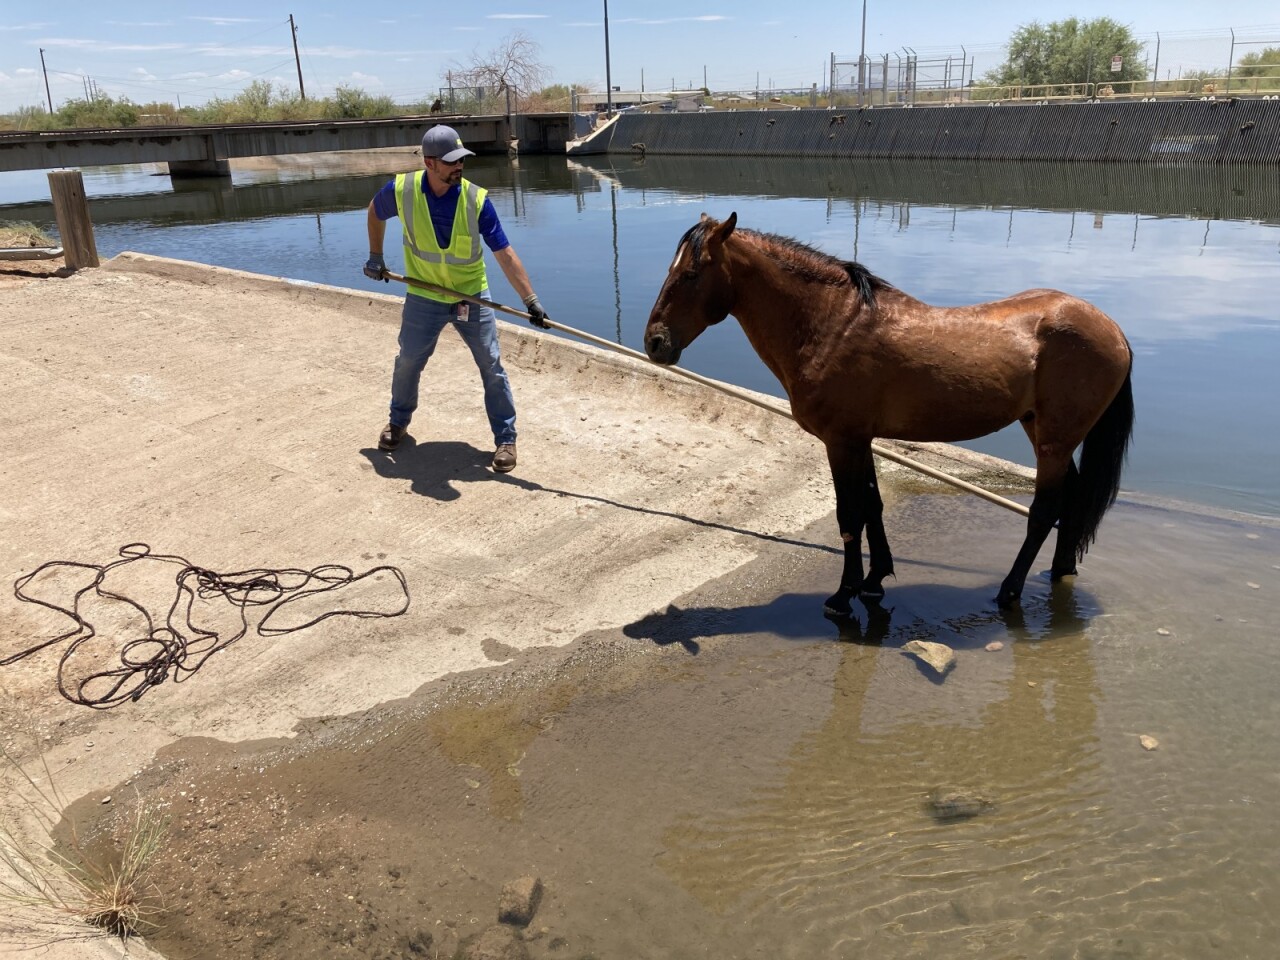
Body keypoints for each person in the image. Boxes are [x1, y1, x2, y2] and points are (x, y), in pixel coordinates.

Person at [363, 124, 551, 473]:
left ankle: (506, 439)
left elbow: (505, 253)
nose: (458, 167)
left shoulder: (475, 199)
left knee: (491, 367)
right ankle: (398, 422)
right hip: (423, 294)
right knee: (408, 361)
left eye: (461, 160)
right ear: (430, 163)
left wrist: (530, 300)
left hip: (471, 297)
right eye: (451, 162)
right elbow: (374, 210)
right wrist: (376, 256)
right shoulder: (402, 190)